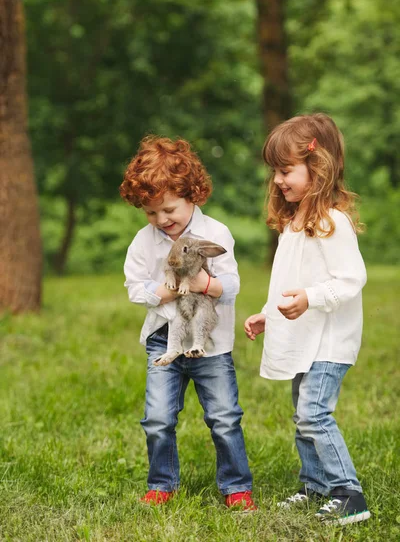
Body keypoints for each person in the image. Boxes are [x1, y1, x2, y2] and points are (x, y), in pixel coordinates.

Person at [244, 113, 370, 525]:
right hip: (305, 338)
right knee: (303, 414)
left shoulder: (332, 223)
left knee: (314, 414)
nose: (278, 180)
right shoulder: (294, 224)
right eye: (275, 172)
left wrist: (312, 298)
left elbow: (352, 279)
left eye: (286, 171)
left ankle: (348, 492)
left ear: (316, 169)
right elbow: (288, 280)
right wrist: (268, 315)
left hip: (330, 342)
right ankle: (314, 485)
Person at [120, 135, 256, 510]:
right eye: (150, 213)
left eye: (168, 210)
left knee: (224, 416)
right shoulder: (144, 242)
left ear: (192, 194)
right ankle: (163, 482)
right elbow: (135, 288)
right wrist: (166, 290)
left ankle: (236, 487)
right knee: (158, 418)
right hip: (163, 339)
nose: (161, 220)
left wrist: (203, 284)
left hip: (210, 343)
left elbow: (231, 286)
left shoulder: (216, 234)